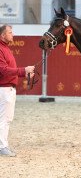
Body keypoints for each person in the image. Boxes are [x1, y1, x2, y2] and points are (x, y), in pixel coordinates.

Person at [0, 24, 35, 157]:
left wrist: (24, 73)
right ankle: (2, 147)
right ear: (3, 35)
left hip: (6, 89)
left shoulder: (5, 49)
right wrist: (23, 70)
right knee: (5, 119)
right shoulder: (1, 49)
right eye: (10, 32)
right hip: (4, 89)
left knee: (5, 119)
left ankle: (3, 145)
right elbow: (3, 71)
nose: (12, 34)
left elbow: (9, 71)